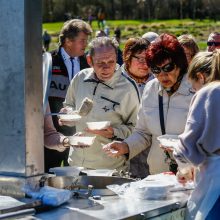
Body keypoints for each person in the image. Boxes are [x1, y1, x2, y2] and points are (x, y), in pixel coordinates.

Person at [103, 33, 194, 175]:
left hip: (190, 173)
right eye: (156, 70)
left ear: (180, 64)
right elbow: (143, 133)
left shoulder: (196, 89)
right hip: (158, 174)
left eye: (168, 67)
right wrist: (125, 146)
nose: (162, 75)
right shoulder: (151, 88)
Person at [60, 37, 140, 170]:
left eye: (111, 62)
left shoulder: (128, 87)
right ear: (89, 60)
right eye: (100, 63)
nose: (106, 68)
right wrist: (67, 115)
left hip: (110, 167)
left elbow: (138, 130)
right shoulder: (80, 78)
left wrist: (114, 132)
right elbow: (69, 105)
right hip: (76, 164)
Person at [173, 50, 220, 220]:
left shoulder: (210, 92)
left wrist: (184, 167)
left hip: (215, 180)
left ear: (200, 78)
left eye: (194, 88)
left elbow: (187, 146)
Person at [46, 19, 92, 172]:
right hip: (51, 131)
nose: (86, 45)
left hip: (78, 132)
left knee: (75, 176)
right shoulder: (48, 61)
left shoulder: (88, 63)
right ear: (68, 41)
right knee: (48, 175)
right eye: (82, 41)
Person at [121, 37, 153, 178]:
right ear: (127, 57)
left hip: (151, 152)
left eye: (147, 58)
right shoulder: (115, 81)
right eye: (139, 58)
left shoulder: (159, 81)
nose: (144, 63)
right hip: (122, 150)